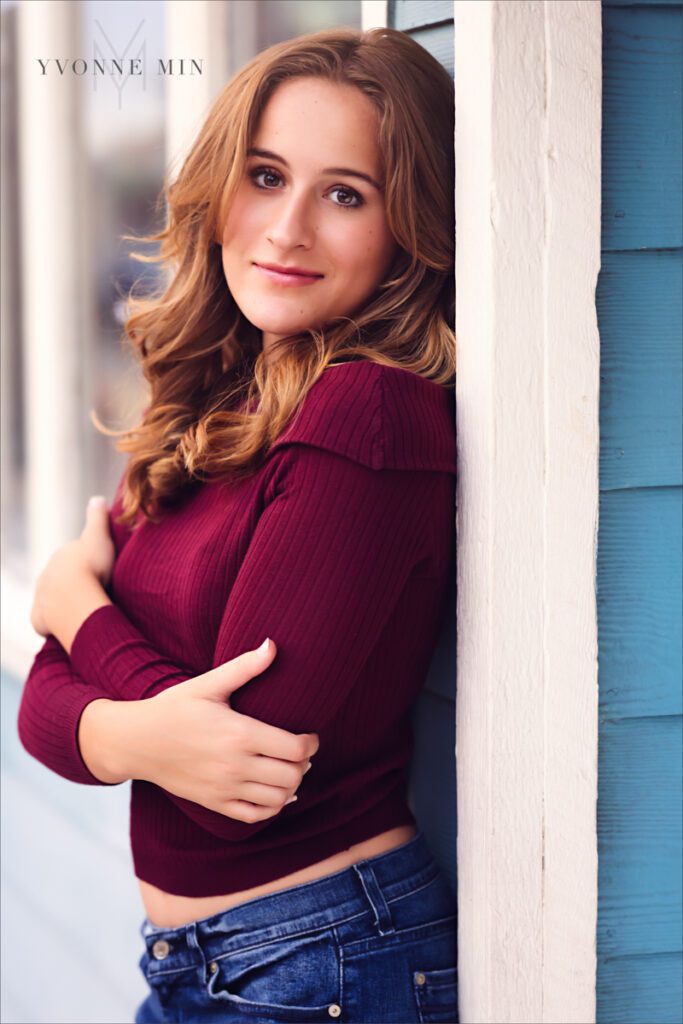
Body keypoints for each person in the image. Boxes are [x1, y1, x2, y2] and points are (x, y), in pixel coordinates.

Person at [17, 25, 458, 1024]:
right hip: (207, 965)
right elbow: (38, 716)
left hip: (325, 962)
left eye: (344, 194)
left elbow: (235, 775)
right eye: (265, 175)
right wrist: (139, 726)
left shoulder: (367, 415)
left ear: (407, 229)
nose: (287, 228)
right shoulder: (209, 402)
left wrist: (78, 604)